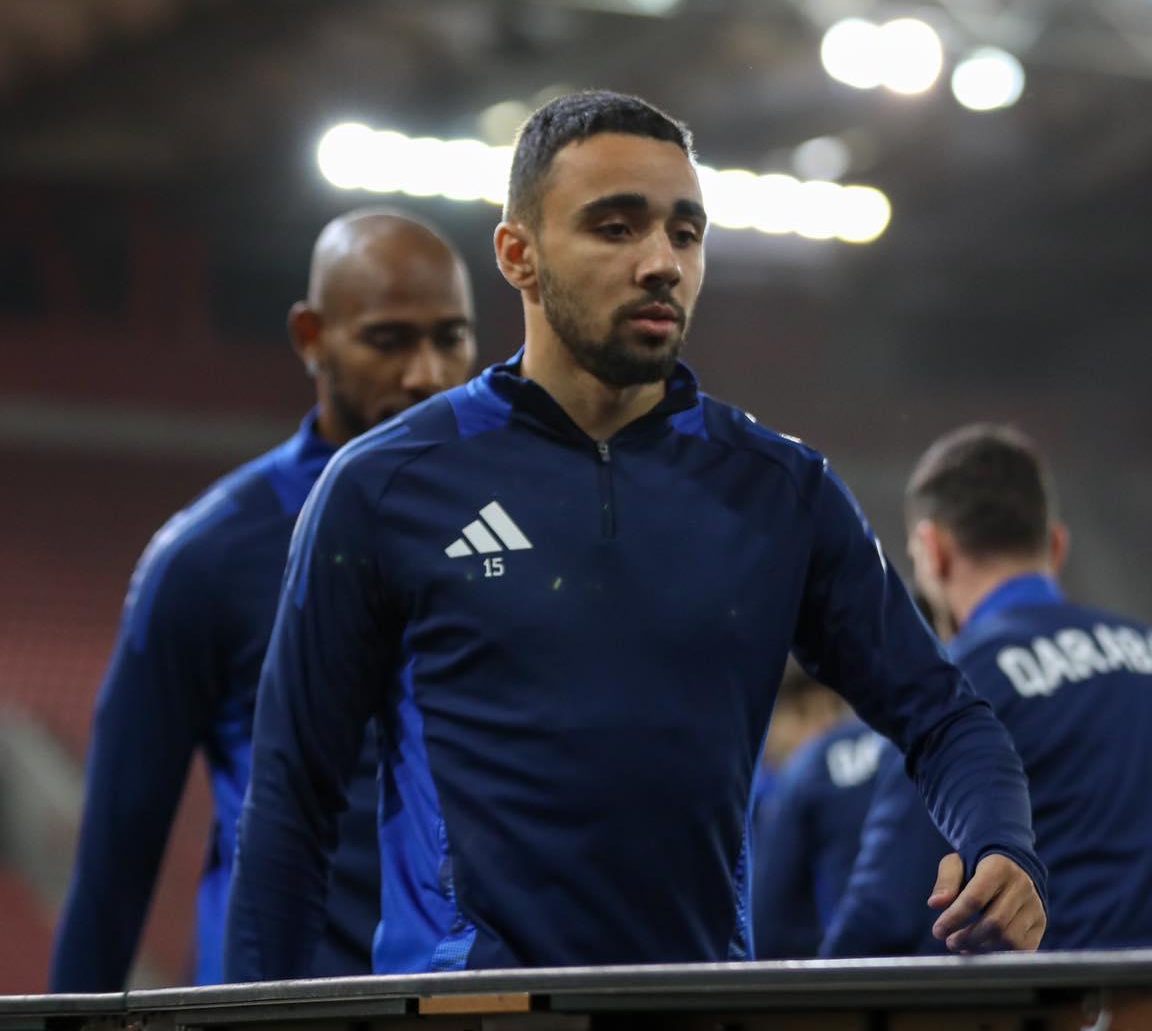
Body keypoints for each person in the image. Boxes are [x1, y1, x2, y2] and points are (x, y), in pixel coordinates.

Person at [225, 91, 1046, 980]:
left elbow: (946, 717)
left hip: (691, 1010)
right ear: (518, 254)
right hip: (471, 1014)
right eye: (615, 228)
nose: (661, 263)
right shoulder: (385, 486)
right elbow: (291, 804)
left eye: (685, 234)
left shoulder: (780, 490)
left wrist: (1000, 842)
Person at [50, 211, 476, 991]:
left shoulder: (508, 531)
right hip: (277, 1002)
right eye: (388, 340)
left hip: (463, 998)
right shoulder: (208, 555)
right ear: (312, 336)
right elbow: (118, 848)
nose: (427, 374)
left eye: (451, 338)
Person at [822, 424, 1152, 956]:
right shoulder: (1144, 645)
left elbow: (885, 910)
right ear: (1057, 545)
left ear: (932, 551)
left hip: (1065, 994)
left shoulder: (953, 685)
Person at [752, 682, 883, 959]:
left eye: (833, 708)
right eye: (802, 713)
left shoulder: (807, 770)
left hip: (841, 966)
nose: (822, 725)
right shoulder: (756, 795)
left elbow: (769, 925)